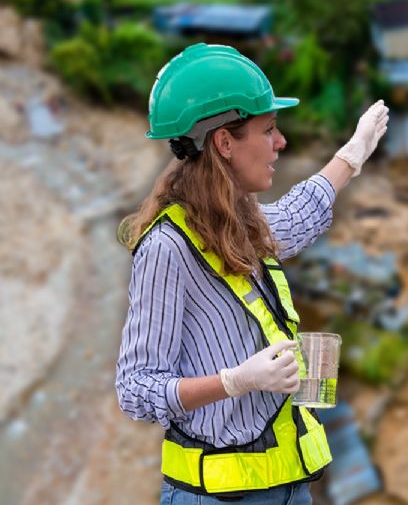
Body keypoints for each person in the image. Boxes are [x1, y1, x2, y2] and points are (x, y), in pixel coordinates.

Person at [115, 43, 389, 504]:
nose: (281, 142)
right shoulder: (167, 249)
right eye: (269, 129)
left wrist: (352, 156)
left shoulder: (238, 222)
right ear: (224, 142)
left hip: (287, 487)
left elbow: (295, 218)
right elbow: (136, 389)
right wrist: (234, 381)